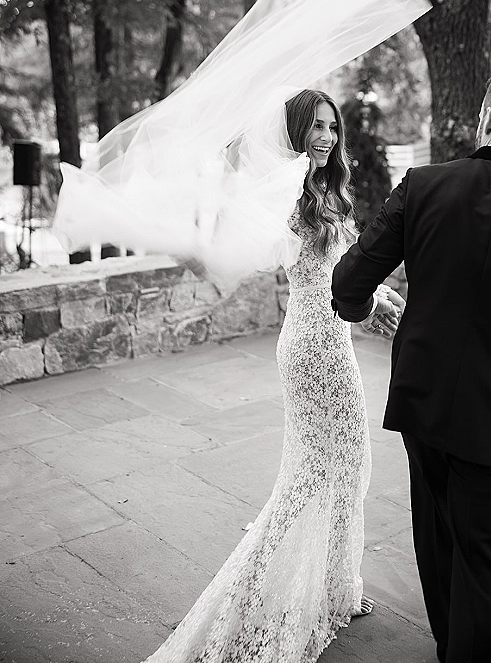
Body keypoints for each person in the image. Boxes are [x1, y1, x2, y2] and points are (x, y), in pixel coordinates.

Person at [141, 89, 405, 663]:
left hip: (334, 337)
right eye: (314, 127)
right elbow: (303, 267)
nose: (326, 137)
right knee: (310, 475)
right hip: (312, 345)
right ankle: (260, 582)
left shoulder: (329, 187)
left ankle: (336, 585)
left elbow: (346, 265)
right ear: (294, 132)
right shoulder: (289, 192)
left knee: (350, 461)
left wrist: (380, 296)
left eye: (332, 127)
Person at [331, 65, 491, 663]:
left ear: (485, 120)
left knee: (438, 546)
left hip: (425, 406)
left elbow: (345, 285)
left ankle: (452, 648)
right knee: (483, 567)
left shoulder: (422, 186)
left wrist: (371, 305)